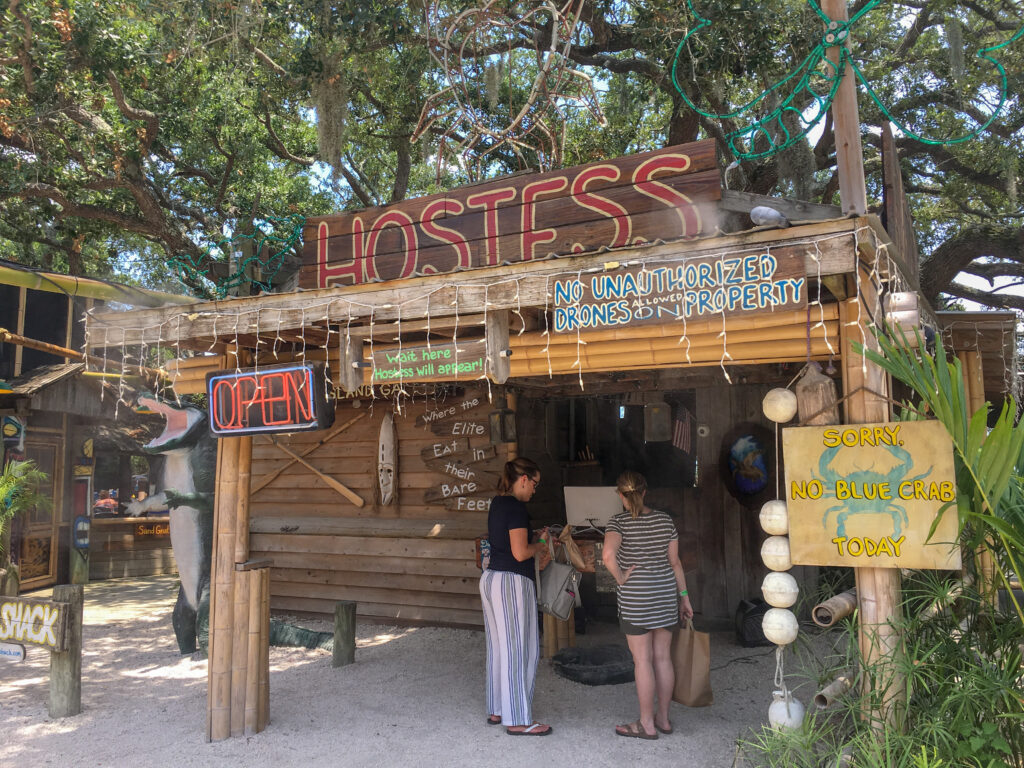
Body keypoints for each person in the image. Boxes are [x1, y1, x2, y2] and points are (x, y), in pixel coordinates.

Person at [602, 470, 693, 740]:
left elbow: (608, 555)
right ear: (644, 492)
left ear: (620, 496)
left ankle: (646, 724)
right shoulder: (665, 521)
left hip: (636, 600)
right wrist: (685, 597)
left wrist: (620, 578)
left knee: (642, 661)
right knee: (662, 658)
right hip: (665, 595)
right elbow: (675, 563)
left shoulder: (617, 523)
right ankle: (663, 720)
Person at [479, 456, 552, 736]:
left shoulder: (498, 503)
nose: (534, 490)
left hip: (491, 579)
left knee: (498, 649)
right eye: (535, 484)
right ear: (523, 479)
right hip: (511, 582)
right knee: (519, 650)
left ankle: (497, 709)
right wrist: (541, 544)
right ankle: (518, 720)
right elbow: (521, 552)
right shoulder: (517, 509)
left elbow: (506, 542)